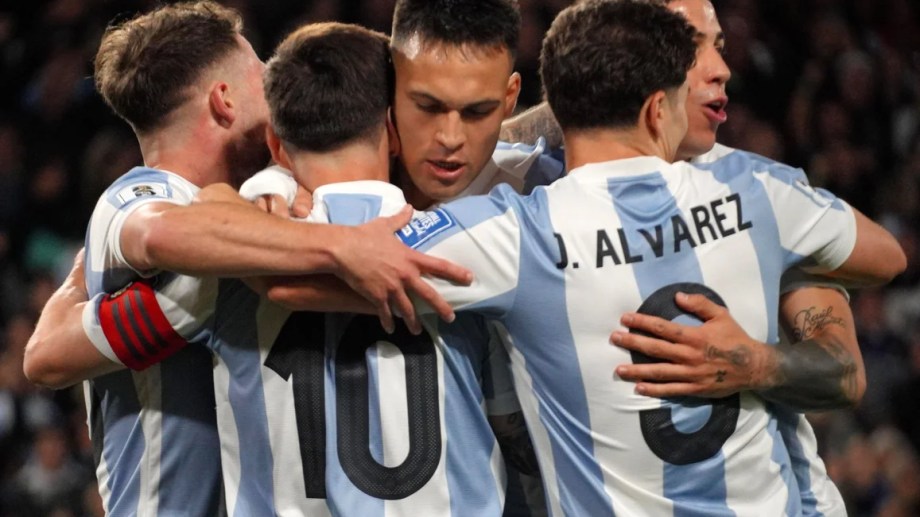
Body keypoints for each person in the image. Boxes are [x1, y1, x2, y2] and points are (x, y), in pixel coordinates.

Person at [392, 0, 904, 514]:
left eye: (718, 45)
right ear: (656, 101)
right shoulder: (753, 191)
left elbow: (852, 357)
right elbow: (883, 258)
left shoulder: (521, 220)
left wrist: (760, 360)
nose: (717, 69)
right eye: (691, 47)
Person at [22, 2, 470, 514]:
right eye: (261, 73)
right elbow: (157, 235)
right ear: (225, 100)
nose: (277, 92)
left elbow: (49, 353)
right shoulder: (147, 196)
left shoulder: (254, 219)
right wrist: (342, 246)